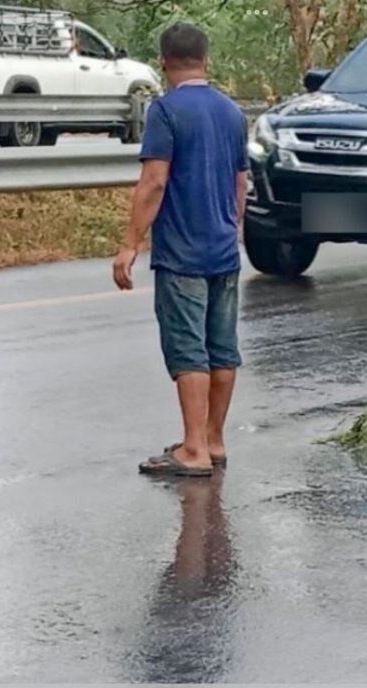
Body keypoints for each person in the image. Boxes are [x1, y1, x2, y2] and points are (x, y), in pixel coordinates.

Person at [112, 21, 249, 477]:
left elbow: (154, 181)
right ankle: (214, 438)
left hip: (182, 252)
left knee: (189, 348)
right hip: (223, 248)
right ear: (206, 60)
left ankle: (192, 449)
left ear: (164, 63)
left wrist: (130, 244)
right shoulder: (232, 112)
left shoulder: (165, 112)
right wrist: (236, 228)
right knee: (222, 347)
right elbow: (240, 183)